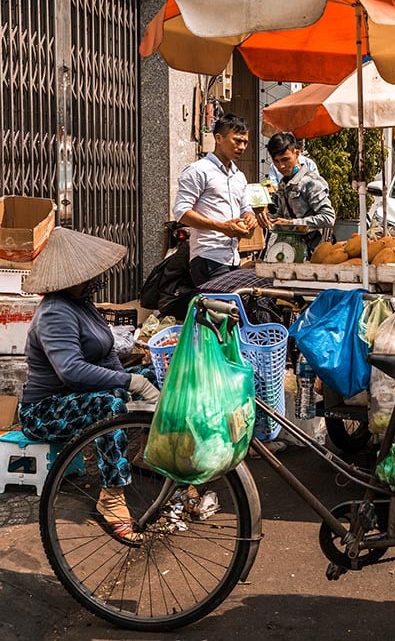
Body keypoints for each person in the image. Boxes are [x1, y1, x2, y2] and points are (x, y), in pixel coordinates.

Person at [18, 228, 160, 545]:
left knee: (155, 374)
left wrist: (135, 383)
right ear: (72, 277)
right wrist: (127, 382)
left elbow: (108, 355)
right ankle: (111, 498)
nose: (98, 278)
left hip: (80, 396)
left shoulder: (84, 305)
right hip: (46, 410)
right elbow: (72, 372)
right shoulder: (55, 312)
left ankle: (148, 455)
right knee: (107, 407)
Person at [174, 113, 259, 287]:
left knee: (230, 311)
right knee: (218, 310)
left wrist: (250, 217)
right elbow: (181, 212)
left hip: (233, 257)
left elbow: (246, 208)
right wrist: (221, 227)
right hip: (207, 257)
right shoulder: (198, 170)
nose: (242, 147)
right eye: (237, 140)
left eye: (245, 142)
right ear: (218, 138)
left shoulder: (239, 176)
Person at [261, 132, 335, 255]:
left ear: (297, 153)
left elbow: (328, 218)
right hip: (286, 252)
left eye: (285, 159)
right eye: (276, 161)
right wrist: (268, 219)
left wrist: (292, 224)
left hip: (309, 254)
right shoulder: (284, 183)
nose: (281, 166)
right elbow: (282, 214)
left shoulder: (311, 182)